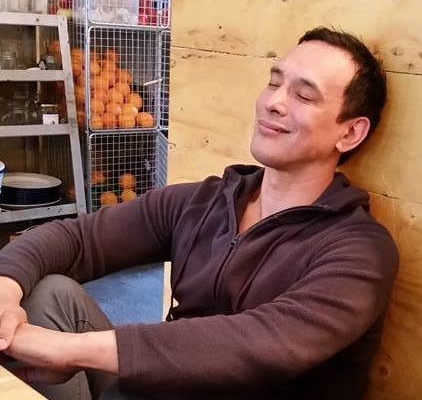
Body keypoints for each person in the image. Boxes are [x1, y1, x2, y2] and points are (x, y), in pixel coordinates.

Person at [0, 26, 398, 400]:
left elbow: (259, 344)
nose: (273, 102)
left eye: (304, 96)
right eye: (274, 82)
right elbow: (79, 238)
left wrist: (71, 350)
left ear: (350, 132)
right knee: (44, 293)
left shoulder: (359, 253)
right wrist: (5, 288)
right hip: (165, 390)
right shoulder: (206, 201)